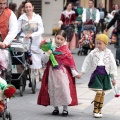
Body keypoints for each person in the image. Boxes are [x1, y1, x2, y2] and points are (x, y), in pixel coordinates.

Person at [37, 30, 80, 116]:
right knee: (53, 90)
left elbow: (70, 62)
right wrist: (48, 54)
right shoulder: (49, 47)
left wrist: (75, 72)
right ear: (55, 37)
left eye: (61, 39)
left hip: (62, 73)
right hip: (52, 73)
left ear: (64, 40)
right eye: (58, 38)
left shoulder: (65, 50)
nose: (59, 41)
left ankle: (65, 109)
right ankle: (55, 108)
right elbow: (44, 60)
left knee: (64, 89)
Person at [79, 34, 117, 118]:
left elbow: (112, 65)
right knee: (99, 92)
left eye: (100, 43)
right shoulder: (93, 52)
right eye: (97, 43)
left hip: (105, 75)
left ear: (105, 44)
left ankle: (99, 110)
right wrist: (82, 72)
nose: (98, 45)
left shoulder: (109, 53)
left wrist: (113, 77)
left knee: (102, 93)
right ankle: (95, 109)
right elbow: (87, 62)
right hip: (97, 75)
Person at [17, 0, 44, 81]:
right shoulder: (22, 17)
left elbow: (41, 30)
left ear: (32, 7)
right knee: (23, 57)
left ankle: (38, 73)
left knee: (36, 58)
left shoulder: (37, 17)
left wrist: (32, 35)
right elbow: (17, 29)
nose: (28, 8)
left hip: (35, 40)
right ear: (24, 8)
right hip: (24, 40)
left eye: (29, 7)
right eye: (26, 7)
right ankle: (25, 73)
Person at [0, 0, 18, 80]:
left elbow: (13, 30)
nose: (2, 6)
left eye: (4, 4)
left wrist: (5, 42)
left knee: (7, 68)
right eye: (0, 3)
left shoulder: (10, 13)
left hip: (4, 46)